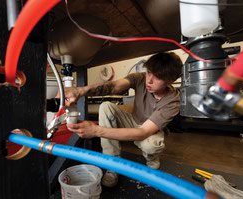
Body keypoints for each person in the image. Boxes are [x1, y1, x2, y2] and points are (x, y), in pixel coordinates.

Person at [63, 52, 182, 187]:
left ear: (170, 81)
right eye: (149, 72)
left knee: (152, 145)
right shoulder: (140, 79)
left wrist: (96, 131)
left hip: (148, 130)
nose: (149, 80)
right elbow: (114, 86)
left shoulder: (172, 101)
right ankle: (113, 165)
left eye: (158, 77)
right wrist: (80, 91)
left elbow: (143, 132)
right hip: (132, 120)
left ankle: (152, 163)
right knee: (106, 106)